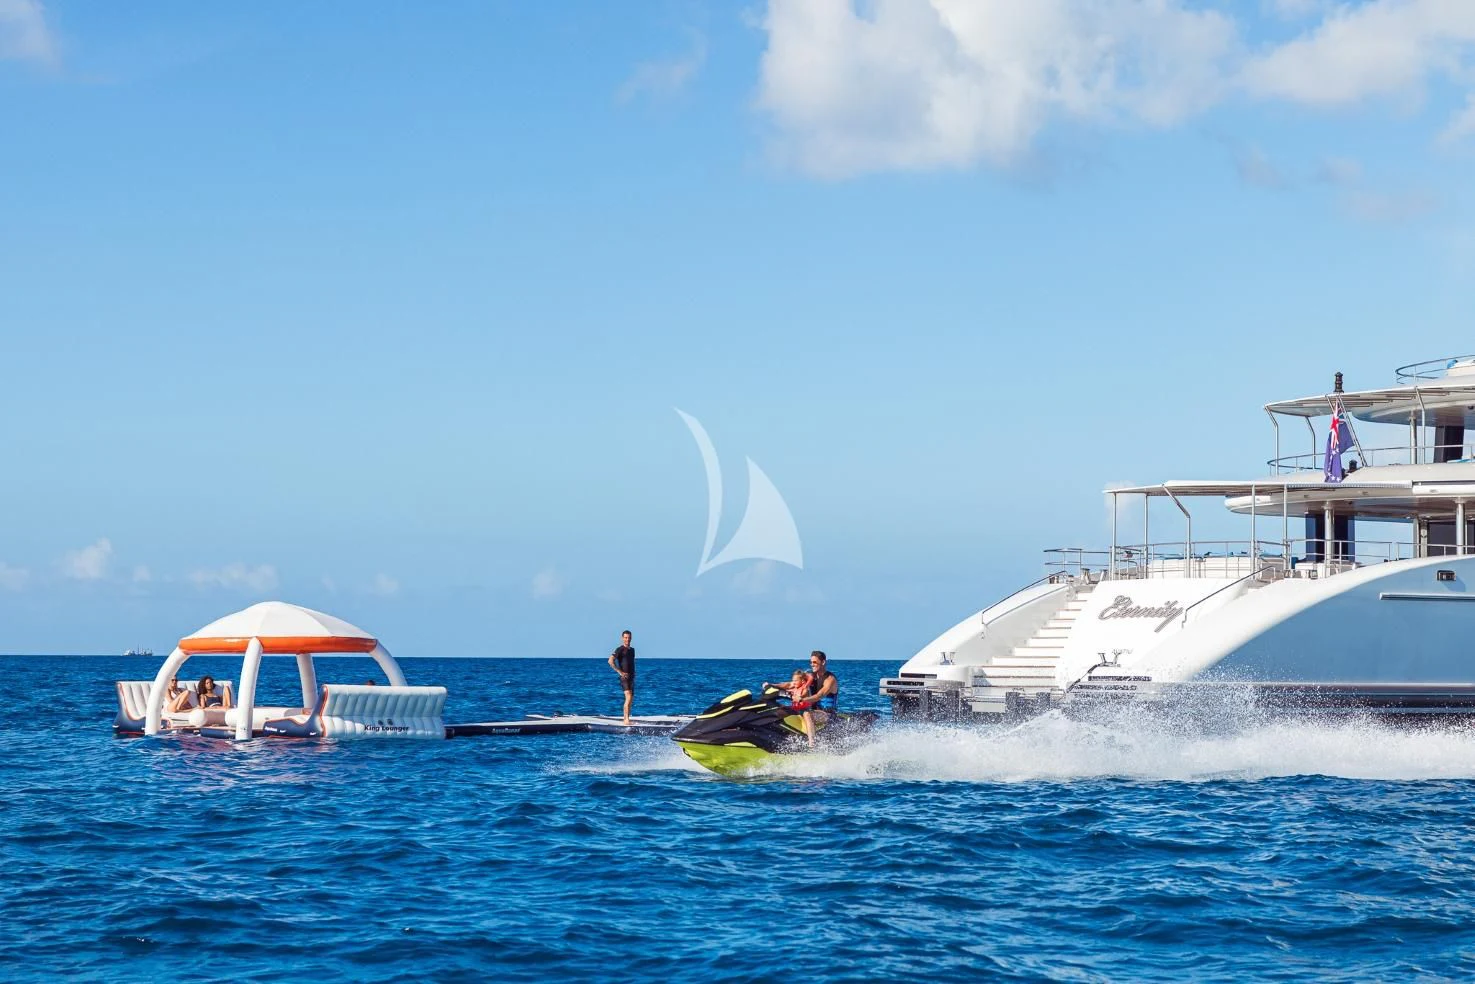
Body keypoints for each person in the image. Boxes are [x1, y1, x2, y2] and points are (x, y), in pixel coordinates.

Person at [800, 650, 838, 747]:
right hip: (815, 711)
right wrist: (773, 685)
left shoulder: (830, 679)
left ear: (823, 662)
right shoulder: (811, 676)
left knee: (807, 713)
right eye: (811, 662)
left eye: (815, 662)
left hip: (828, 714)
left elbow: (819, 696)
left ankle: (812, 744)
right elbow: (792, 683)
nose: (812, 665)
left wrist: (802, 700)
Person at [607, 629, 636, 726]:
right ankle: (626, 720)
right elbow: (610, 661)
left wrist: (634, 675)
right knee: (628, 697)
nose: (627, 639)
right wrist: (620, 672)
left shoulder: (632, 650)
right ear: (622, 638)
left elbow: (631, 663)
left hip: (632, 677)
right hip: (624, 677)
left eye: (629, 637)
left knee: (631, 698)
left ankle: (627, 717)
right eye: (626, 638)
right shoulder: (619, 649)